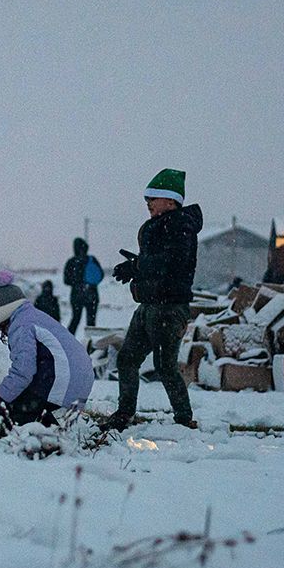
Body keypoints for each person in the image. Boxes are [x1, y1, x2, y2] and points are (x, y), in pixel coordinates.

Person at [103, 169, 203, 431]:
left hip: (169, 309)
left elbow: (172, 262)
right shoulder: (161, 225)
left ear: (170, 200)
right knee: (127, 359)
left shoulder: (181, 225)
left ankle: (184, 420)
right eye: (147, 198)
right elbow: (158, 262)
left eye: (153, 197)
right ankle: (124, 414)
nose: (147, 202)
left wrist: (138, 266)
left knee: (165, 366)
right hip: (148, 306)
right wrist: (136, 266)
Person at [0, 270, 94, 429]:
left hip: (63, 382)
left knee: (14, 423)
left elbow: (24, 370)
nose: (6, 333)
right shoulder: (33, 316)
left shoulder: (21, 325)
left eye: (3, 328)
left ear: (2, 315)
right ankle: (49, 423)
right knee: (29, 414)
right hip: (78, 382)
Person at [62, 237, 104, 335]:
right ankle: (91, 342)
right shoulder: (92, 259)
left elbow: (66, 280)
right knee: (91, 323)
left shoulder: (71, 262)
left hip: (77, 295)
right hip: (92, 294)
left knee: (75, 320)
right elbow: (100, 275)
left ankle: (67, 341)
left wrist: (77, 282)